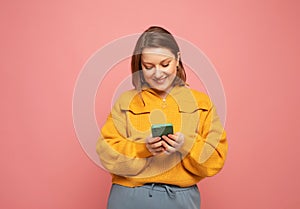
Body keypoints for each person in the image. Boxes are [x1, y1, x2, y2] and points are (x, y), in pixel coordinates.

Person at [96, 26, 228, 209]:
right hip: (130, 198)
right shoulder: (127, 101)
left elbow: (215, 160)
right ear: (140, 66)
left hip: (181, 199)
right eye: (148, 67)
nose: (158, 74)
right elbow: (106, 153)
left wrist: (186, 144)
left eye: (165, 64)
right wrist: (143, 148)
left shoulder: (201, 103)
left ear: (178, 58)